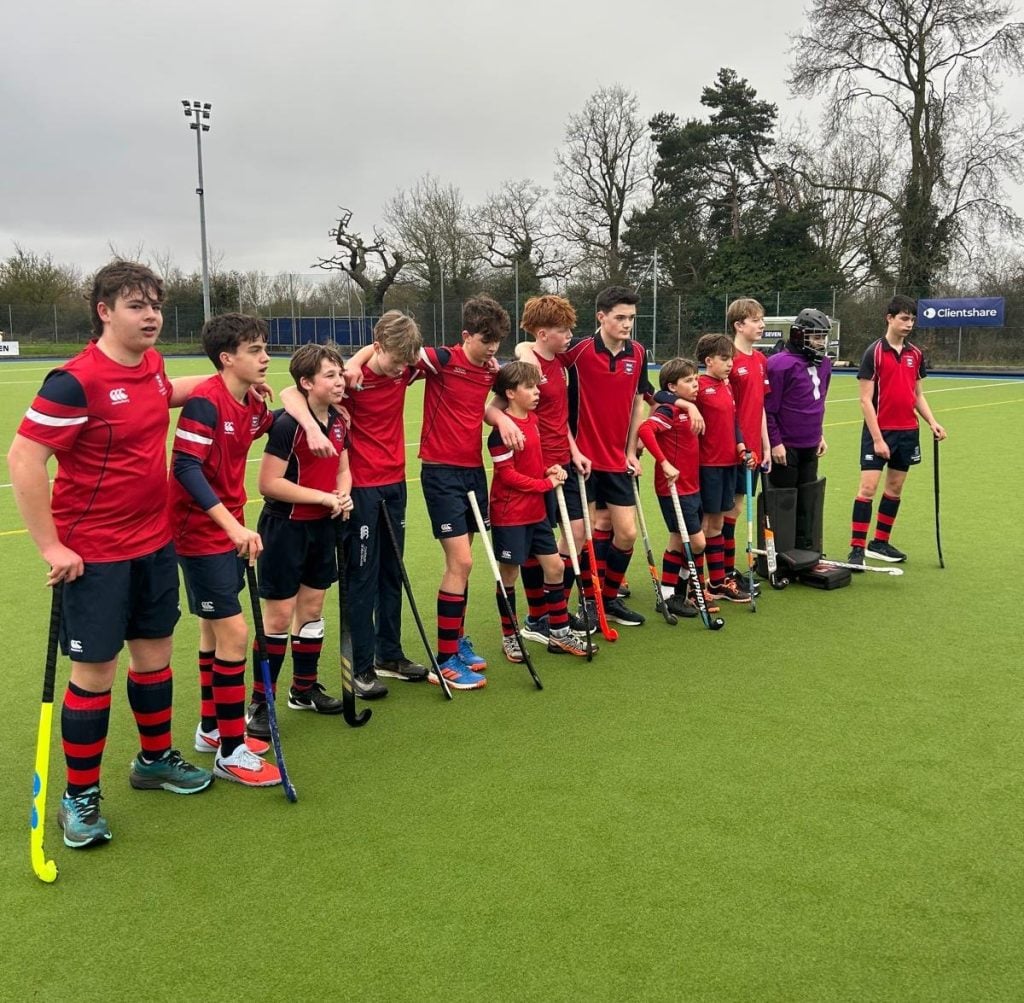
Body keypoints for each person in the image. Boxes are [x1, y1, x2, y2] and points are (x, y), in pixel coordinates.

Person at [7, 260, 213, 849]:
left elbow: (162, 394)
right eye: (136, 306)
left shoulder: (152, 365)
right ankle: (79, 796)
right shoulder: (74, 382)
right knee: (95, 673)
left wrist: (225, 382)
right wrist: (52, 545)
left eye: (155, 306)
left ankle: (154, 760)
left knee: (153, 658)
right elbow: (24, 458)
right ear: (104, 311)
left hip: (154, 543)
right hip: (94, 554)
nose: (151, 317)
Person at [288, 311, 430, 699]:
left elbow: (426, 359)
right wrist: (315, 424)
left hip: (396, 483)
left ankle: (389, 655)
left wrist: (370, 353)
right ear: (379, 346)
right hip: (361, 489)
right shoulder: (351, 379)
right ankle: (361, 667)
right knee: (362, 578)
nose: (400, 368)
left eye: (405, 362)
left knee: (392, 573)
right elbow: (290, 394)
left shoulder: (407, 368)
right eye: (394, 360)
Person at [167, 313, 282, 787]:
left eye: (264, 347)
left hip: (227, 529)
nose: (265, 357)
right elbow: (185, 468)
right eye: (254, 350)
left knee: (213, 631)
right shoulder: (205, 402)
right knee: (234, 634)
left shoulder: (249, 403)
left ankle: (211, 727)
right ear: (227, 358)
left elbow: (265, 425)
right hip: (200, 532)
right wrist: (231, 526)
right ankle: (231, 752)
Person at [526, 286, 653, 627]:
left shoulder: (639, 353)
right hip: (581, 460)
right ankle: (568, 608)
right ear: (601, 317)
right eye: (620, 317)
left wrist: (630, 451)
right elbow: (536, 349)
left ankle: (606, 600)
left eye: (631, 318)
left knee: (626, 533)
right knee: (580, 534)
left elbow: (638, 403)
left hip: (618, 460)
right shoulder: (578, 351)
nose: (627, 324)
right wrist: (523, 349)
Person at [245, 342, 352, 738]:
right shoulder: (287, 425)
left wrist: (343, 494)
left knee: (312, 609)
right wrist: (323, 498)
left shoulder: (339, 419)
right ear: (307, 383)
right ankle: (260, 701)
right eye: (330, 375)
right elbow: (268, 483)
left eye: (340, 374)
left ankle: (303, 690)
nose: (340, 381)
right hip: (285, 528)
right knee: (277, 617)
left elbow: (342, 468)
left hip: (323, 528)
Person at [487, 361, 593, 660]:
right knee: (509, 575)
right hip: (510, 515)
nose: (537, 392)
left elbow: (534, 460)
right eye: (530, 387)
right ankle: (510, 636)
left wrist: (549, 468)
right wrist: (545, 484)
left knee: (555, 567)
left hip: (536, 513)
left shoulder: (533, 420)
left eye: (537, 386)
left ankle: (559, 633)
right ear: (510, 393)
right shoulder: (500, 433)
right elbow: (507, 476)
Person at [507, 294, 594, 643]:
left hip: (565, 461)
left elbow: (560, 417)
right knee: (536, 544)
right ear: (542, 333)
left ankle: (554, 607)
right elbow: (498, 406)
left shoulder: (560, 364)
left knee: (577, 532)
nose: (570, 335)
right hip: (538, 467)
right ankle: (537, 617)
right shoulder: (525, 368)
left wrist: (575, 451)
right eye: (563, 330)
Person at [848, 295, 946, 566]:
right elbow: (865, 400)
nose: (909, 323)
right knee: (868, 488)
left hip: (907, 432)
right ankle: (856, 549)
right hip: (879, 432)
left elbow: (917, 395)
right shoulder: (874, 353)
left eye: (912, 319)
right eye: (904, 318)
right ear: (889, 318)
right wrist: (878, 439)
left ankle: (879, 543)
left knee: (895, 487)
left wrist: (932, 422)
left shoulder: (916, 354)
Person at [637, 357, 704, 618]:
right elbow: (645, 429)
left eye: (696, 379)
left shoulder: (688, 407)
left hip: (692, 486)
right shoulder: (669, 412)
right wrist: (664, 463)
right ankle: (672, 592)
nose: (695, 384)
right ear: (673, 387)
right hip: (674, 488)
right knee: (696, 542)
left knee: (678, 538)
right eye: (689, 381)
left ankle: (673, 593)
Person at [694, 333, 755, 604]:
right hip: (708, 466)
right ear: (709, 360)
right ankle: (695, 586)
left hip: (729, 464)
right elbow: (666, 398)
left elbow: (734, 423)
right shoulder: (698, 386)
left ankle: (718, 582)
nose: (730, 363)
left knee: (718, 523)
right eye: (724, 358)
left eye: (731, 358)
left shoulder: (726, 386)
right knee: (705, 525)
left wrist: (741, 447)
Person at [766, 308, 833, 550]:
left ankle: (805, 550)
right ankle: (781, 552)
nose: (820, 342)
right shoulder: (779, 364)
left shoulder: (824, 364)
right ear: (798, 335)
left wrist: (820, 434)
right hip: (786, 446)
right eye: (815, 336)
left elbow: (819, 402)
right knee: (784, 501)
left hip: (810, 444)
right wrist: (775, 442)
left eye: (823, 337)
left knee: (807, 499)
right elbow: (768, 409)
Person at [723, 299, 770, 591]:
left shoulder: (761, 360)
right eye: (755, 320)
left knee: (736, 509)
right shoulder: (728, 359)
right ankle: (721, 574)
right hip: (731, 449)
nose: (761, 325)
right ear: (739, 325)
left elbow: (760, 406)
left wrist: (765, 445)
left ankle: (726, 572)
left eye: (761, 319)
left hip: (754, 449)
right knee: (726, 512)